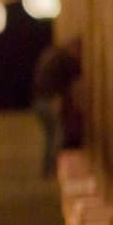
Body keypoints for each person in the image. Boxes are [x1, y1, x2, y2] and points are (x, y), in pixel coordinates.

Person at [31, 39, 82, 178]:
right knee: (56, 134)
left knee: (50, 134)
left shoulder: (53, 55)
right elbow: (76, 73)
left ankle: (48, 167)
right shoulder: (64, 59)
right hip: (48, 100)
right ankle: (52, 167)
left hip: (39, 100)